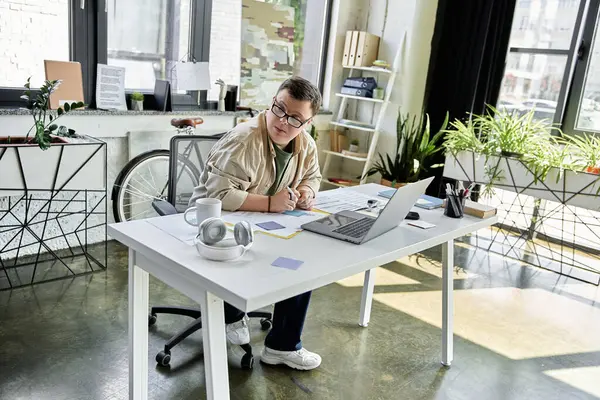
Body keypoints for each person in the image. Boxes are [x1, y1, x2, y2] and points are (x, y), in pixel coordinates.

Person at [189, 76, 323, 370]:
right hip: (216, 222)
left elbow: (313, 177)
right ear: (273, 102)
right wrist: (270, 204)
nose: (283, 121)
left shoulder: (306, 144)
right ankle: (230, 313)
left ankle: (282, 347)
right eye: (279, 109)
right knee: (241, 254)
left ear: (309, 123)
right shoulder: (244, 140)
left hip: (264, 221)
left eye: (296, 118)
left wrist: (307, 193)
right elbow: (219, 195)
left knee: (303, 259)